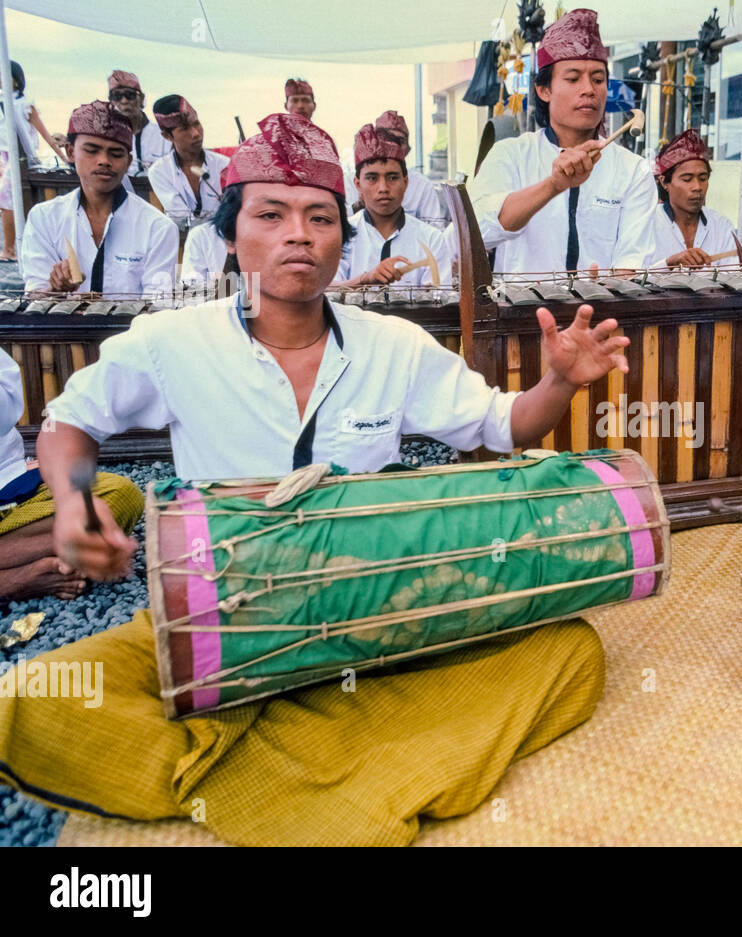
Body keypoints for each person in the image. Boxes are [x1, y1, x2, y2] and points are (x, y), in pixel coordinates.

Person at [14, 113, 627, 844]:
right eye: (271, 215)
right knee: (29, 699)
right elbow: (68, 422)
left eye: (320, 217)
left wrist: (559, 382)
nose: (298, 235)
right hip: (224, 612)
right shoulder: (171, 342)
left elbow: (504, 426)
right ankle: (340, 764)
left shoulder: (394, 345)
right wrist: (74, 500)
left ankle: (281, 757)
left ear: (344, 237)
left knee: (570, 653)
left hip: (373, 606)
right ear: (231, 234)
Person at [469, 8, 656, 276]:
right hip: (521, 303)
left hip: (604, 302)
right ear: (544, 90)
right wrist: (553, 186)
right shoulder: (510, 155)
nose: (589, 90)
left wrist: (608, 292)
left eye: (598, 79)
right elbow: (478, 234)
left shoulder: (633, 171)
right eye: (572, 78)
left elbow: (633, 262)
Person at [0, 347, 142, 601]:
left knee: (117, 495)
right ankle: (11, 581)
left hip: (8, 487)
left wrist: (68, 498)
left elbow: (7, 410)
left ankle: (68, 546)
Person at [21, 101, 178, 296]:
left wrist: (103, 308)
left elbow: (158, 305)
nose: (104, 161)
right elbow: (35, 296)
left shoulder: (158, 227)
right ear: (70, 152)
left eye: (116, 154)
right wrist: (54, 290)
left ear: (128, 161)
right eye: (92, 150)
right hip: (60, 318)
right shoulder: (44, 218)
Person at [334, 121, 454, 287]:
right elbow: (327, 293)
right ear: (358, 184)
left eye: (392, 178)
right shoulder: (341, 236)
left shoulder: (432, 239)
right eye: (372, 178)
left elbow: (439, 296)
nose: (383, 188)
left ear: (405, 182)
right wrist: (364, 279)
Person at [0, 61, 65, 260]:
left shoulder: (24, 105)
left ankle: (10, 249)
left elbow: (44, 133)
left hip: (20, 158)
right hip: (3, 157)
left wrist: (64, 157)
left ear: (16, 79)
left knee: (7, 200)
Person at [649, 129, 737, 268]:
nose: (697, 187)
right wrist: (668, 264)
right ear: (665, 182)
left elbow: (734, 273)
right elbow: (629, 276)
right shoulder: (647, 225)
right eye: (687, 179)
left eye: (703, 178)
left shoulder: (721, 226)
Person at [344, 110, 447, 225]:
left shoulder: (421, 185)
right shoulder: (349, 181)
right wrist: (359, 207)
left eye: (400, 141)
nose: (393, 146)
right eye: (387, 139)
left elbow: (435, 227)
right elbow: (339, 224)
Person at [146, 95, 230, 221]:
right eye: (185, 129)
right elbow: (181, 218)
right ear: (167, 136)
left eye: (196, 124)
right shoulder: (159, 171)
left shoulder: (224, 165)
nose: (195, 133)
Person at [106, 70, 170, 176]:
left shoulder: (164, 136)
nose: (124, 101)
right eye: (117, 96)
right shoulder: (106, 137)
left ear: (141, 98)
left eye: (129, 95)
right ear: (110, 102)